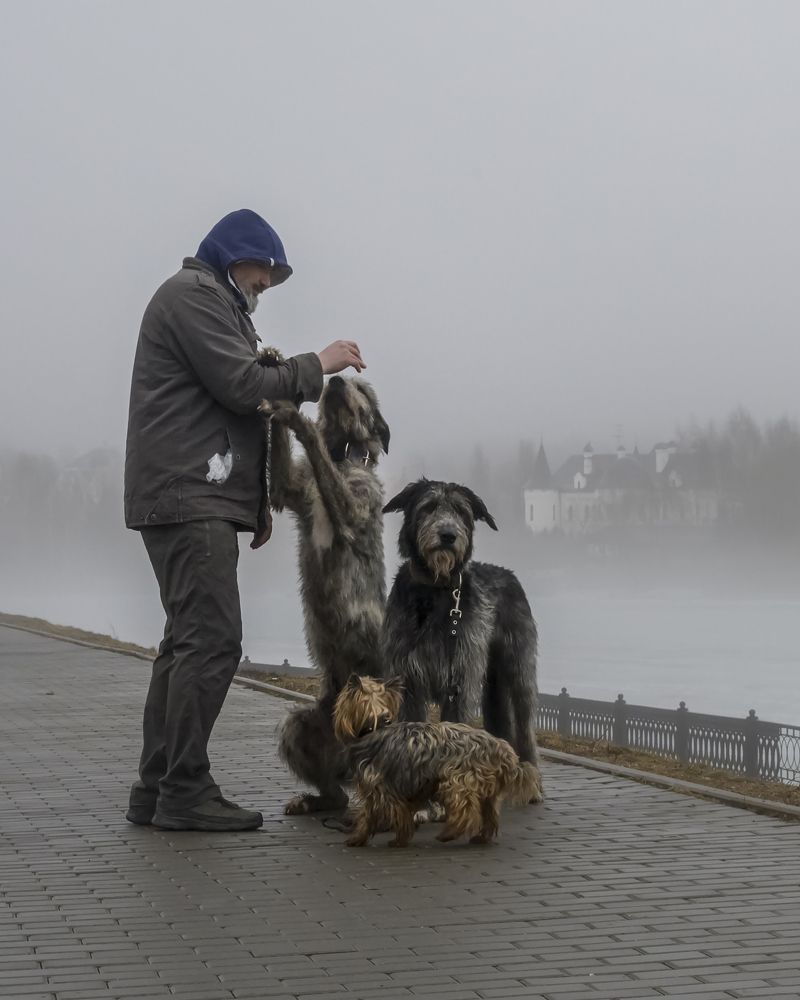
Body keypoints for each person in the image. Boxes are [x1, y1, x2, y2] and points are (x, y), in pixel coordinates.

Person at [123, 209, 364, 831]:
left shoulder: (209, 302)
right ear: (238, 258)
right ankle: (185, 790)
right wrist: (319, 363)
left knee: (184, 644)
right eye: (265, 273)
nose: (266, 285)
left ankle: (156, 788)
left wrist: (253, 506)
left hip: (195, 497)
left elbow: (233, 409)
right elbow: (242, 385)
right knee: (212, 642)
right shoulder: (194, 297)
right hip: (187, 499)